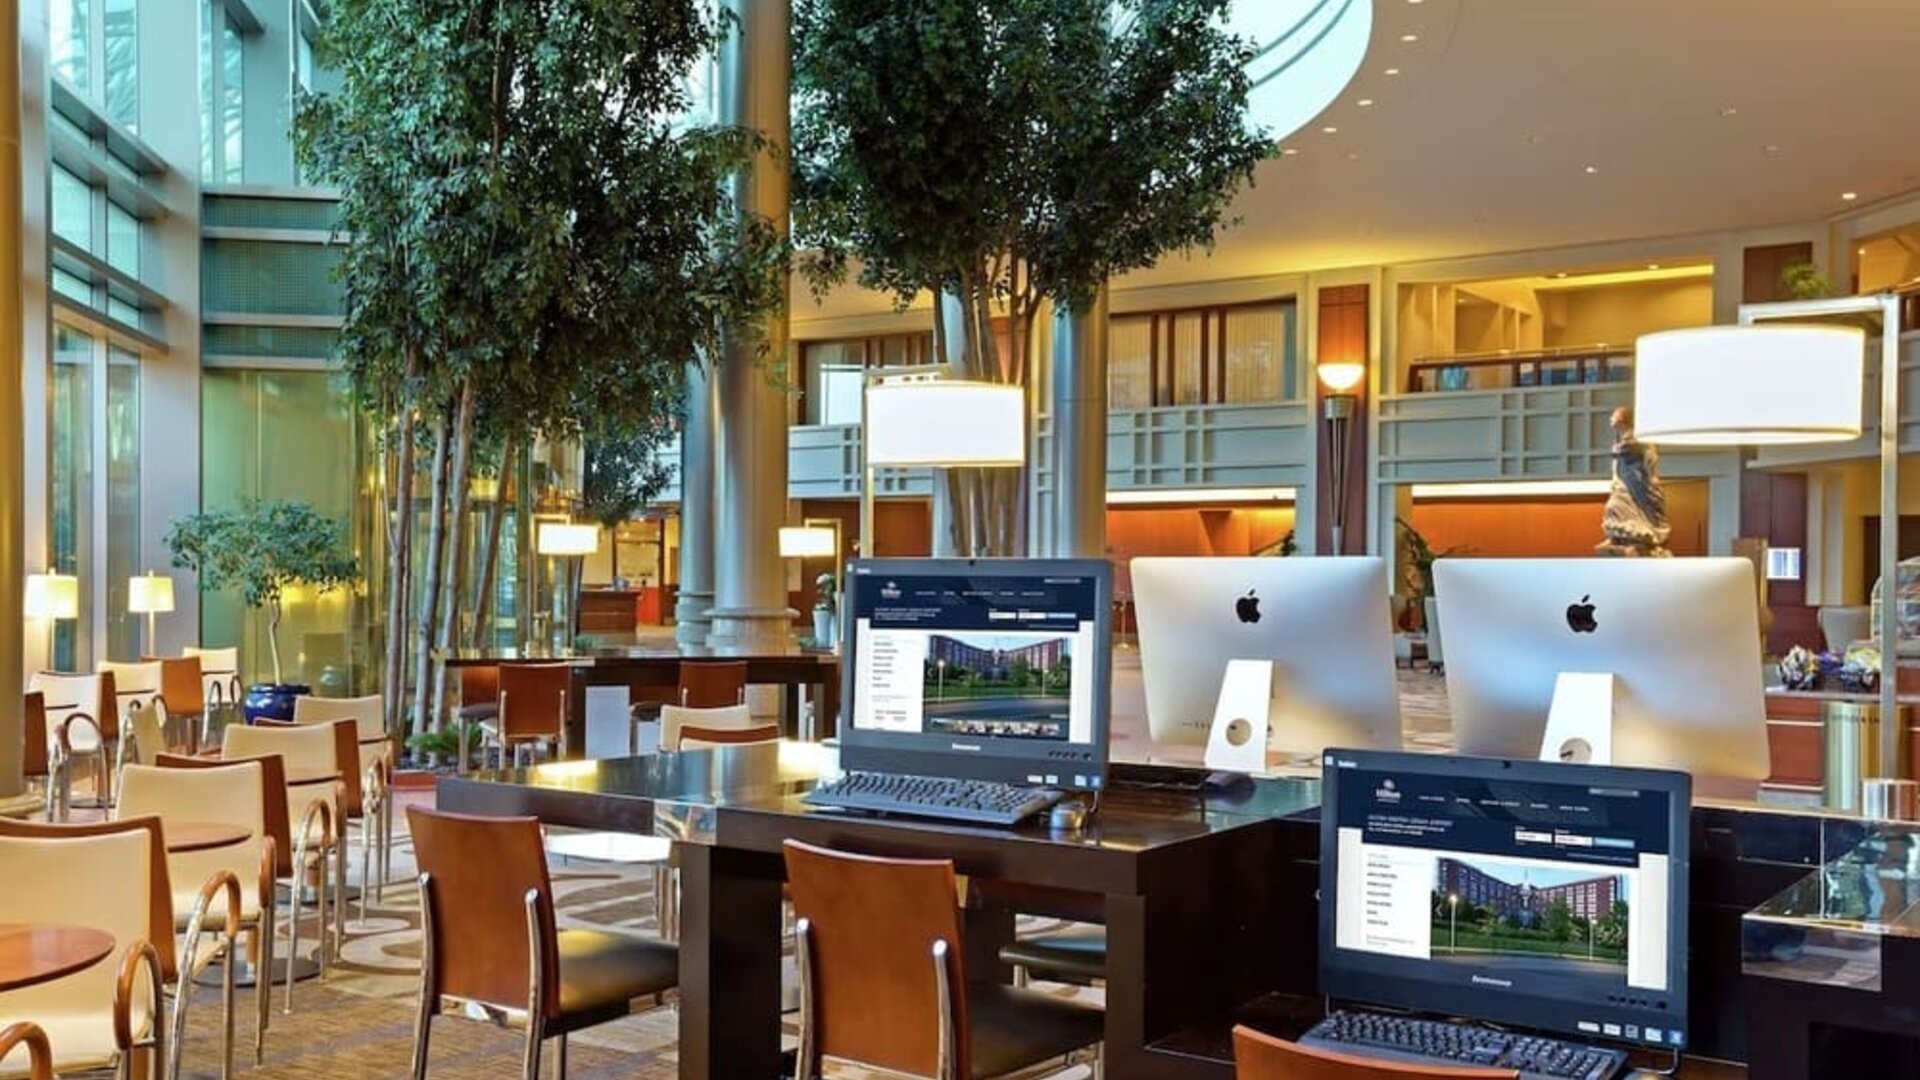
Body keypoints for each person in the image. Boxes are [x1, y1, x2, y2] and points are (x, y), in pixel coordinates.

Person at [1595, 406, 1671, 557]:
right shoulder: (1618, 437)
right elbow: (1616, 462)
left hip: (1637, 479)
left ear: (1623, 419)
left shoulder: (1639, 435)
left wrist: (1652, 475)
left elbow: (1650, 454)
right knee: (1613, 506)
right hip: (1623, 479)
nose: (1611, 418)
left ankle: (1639, 541)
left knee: (1625, 506)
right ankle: (1616, 538)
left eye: (1614, 415)